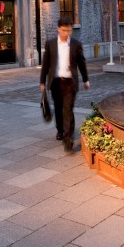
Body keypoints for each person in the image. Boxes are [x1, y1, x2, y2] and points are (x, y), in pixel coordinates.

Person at [39, 18, 90, 152]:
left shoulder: (75, 44)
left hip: (70, 82)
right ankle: (60, 130)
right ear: (58, 29)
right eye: (64, 30)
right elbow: (45, 63)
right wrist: (42, 81)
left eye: (69, 30)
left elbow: (81, 63)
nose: (67, 33)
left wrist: (86, 79)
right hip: (55, 82)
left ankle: (68, 138)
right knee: (58, 108)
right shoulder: (50, 44)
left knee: (68, 109)